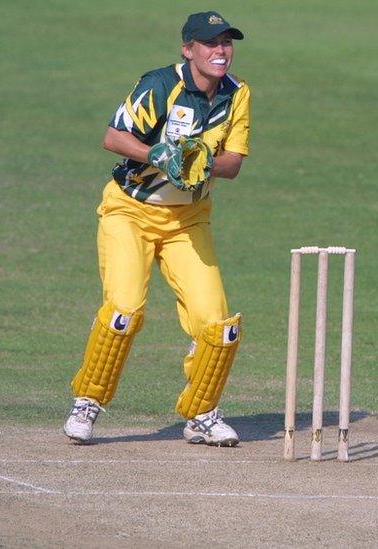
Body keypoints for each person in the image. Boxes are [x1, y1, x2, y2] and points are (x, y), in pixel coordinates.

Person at [62, 11, 251, 447]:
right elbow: (114, 137)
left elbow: (234, 164)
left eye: (226, 43)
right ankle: (87, 402)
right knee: (124, 311)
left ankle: (201, 413)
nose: (220, 51)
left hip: (188, 219)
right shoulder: (160, 84)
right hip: (130, 210)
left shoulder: (237, 94)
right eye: (210, 43)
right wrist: (161, 156)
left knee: (219, 326)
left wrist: (204, 162)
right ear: (188, 50)